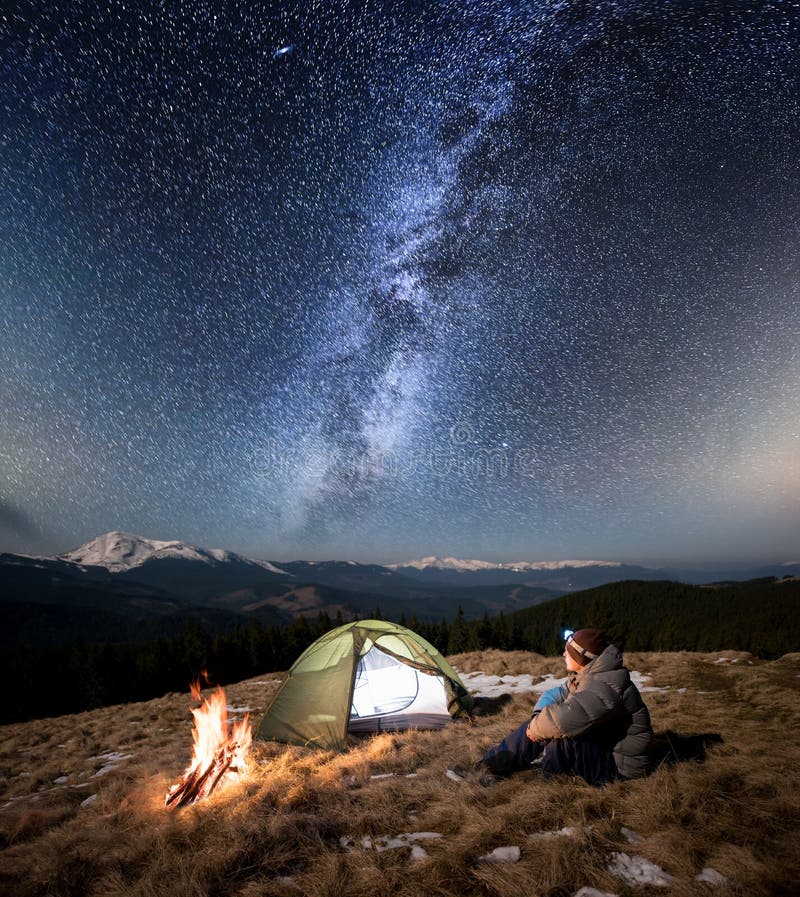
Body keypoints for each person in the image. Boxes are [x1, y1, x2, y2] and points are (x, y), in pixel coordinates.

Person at [478, 628, 652, 786]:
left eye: (568, 652)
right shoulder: (589, 675)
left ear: (582, 657)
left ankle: (550, 787)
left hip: (619, 771)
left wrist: (537, 728)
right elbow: (554, 694)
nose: (563, 654)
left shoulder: (606, 685)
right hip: (602, 749)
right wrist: (536, 720)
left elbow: (562, 720)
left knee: (561, 737)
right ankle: (490, 765)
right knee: (543, 725)